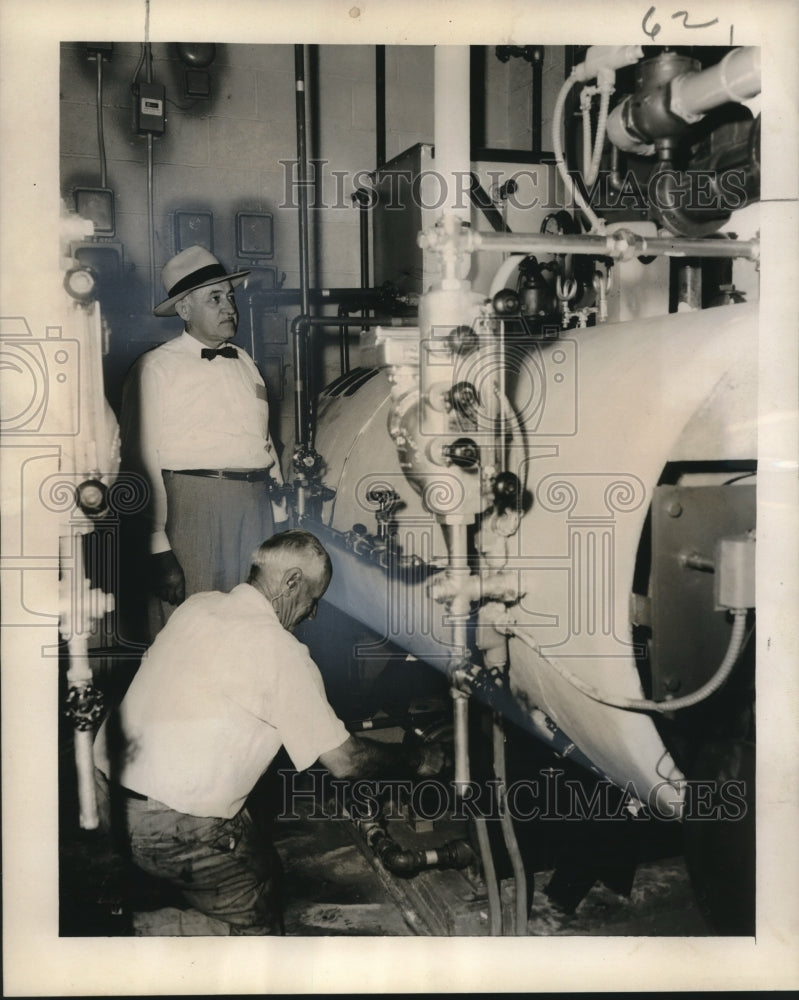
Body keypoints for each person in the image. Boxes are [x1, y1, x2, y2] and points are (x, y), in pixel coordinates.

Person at [93, 530, 446, 935]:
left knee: (255, 846)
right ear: (292, 581)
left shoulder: (198, 605)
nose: (313, 614)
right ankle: (127, 935)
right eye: (314, 600)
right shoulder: (282, 652)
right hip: (171, 827)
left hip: (106, 797)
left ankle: (130, 918)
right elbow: (347, 762)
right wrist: (418, 758)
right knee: (259, 926)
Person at [119, 245, 287, 636]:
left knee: (254, 628)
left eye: (230, 296)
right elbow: (138, 461)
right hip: (192, 512)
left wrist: (279, 521)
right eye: (215, 298)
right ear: (184, 310)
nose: (229, 306)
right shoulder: (154, 368)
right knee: (189, 634)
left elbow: (264, 444)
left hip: (255, 511)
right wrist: (159, 549)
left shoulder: (246, 363)